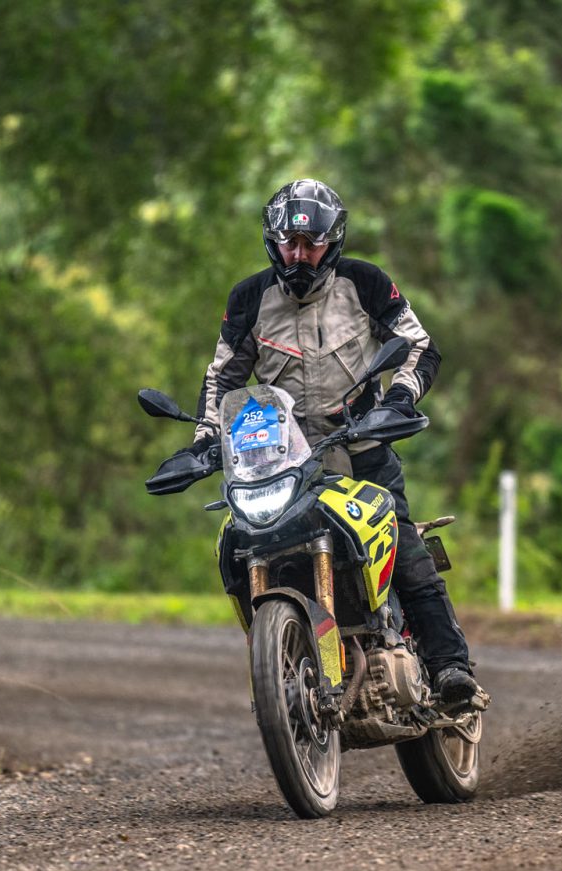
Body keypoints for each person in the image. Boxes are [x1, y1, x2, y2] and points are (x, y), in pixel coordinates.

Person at [183, 178, 479, 706]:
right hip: (283, 462)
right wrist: (206, 439)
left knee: (404, 545)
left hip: (362, 448)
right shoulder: (248, 299)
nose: (298, 255)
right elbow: (223, 379)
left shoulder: (365, 283)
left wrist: (399, 401)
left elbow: (417, 347)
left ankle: (450, 666)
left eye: (310, 244)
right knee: (241, 544)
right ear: (272, 242)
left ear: (332, 240)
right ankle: (281, 665)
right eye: (288, 244)